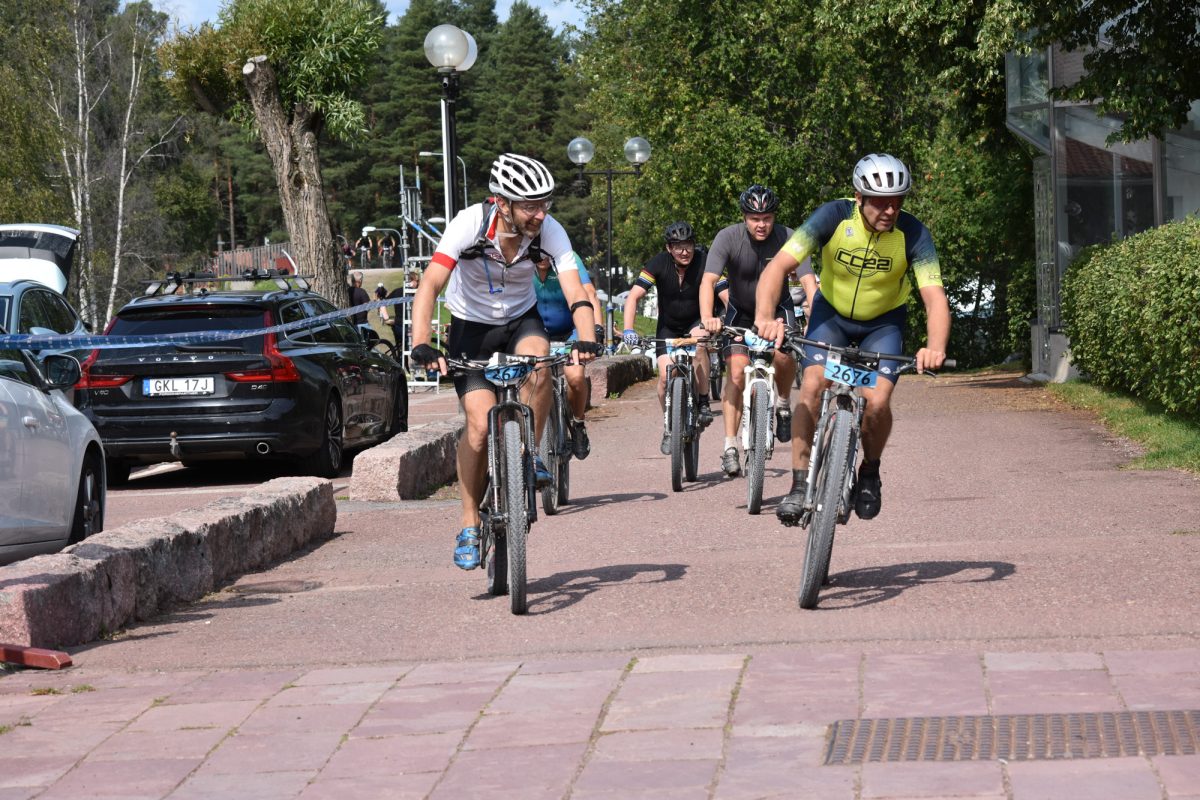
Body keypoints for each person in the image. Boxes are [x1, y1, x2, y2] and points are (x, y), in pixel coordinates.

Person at [408, 153, 600, 571]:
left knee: (540, 366)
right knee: (478, 427)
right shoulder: (469, 224)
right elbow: (431, 284)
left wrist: (586, 336)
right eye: (530, 206)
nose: (540, 214)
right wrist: (420, 342)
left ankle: (529, 453)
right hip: (471, 330)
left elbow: (576, 290)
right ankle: (468, 523)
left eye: (544, 204)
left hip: (520, 321)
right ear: (501, 203)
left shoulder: (550, 230)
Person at [755, 153, 949, 524]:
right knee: (812, 387)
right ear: (859, 197)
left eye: (897, 202)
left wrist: (935, 347)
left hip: (883, 324)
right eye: (880, 202)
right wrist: (765, 318)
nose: (890, 210)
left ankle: (870, 471)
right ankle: (799, 484)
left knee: (877, 401)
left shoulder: (913, 233)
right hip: (832, 316)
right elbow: (778, 267)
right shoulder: (832, 216)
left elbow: (934, 297)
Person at [701, 184, 817, 477]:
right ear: (744, 217)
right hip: (740, 313)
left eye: (767, 218)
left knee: (784, 356)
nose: (761, 224)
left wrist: (815, 316)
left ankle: (782, 403)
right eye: (755, 218)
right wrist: (707, 318)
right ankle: (730, 446)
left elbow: (808, 282)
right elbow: (708, 281)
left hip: (779, 311)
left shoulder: (789, 237)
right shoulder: (727, 237)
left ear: (774, 217)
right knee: (736, 373)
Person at [623, 221, 726, 454]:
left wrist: (726, 319)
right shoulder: (658, 263)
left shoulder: (705, 262)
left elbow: (726, 294)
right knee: (664, 378)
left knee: (700, 345)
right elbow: (634, 297)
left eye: (688, 245)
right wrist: (628, 329)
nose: (684, 251)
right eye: (678, 246)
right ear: (669, 248)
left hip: (696, 322)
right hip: (667, 328)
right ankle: (669, 426)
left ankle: (703, 401)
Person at [533, 251, 603, 460]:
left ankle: (578, 424)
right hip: (535, 332)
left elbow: (589, 292)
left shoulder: (566, 256)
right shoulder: (522, 260)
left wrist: (596, 329)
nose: (542, 258)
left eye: (545, 253)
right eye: (537, 253)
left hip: (570, 331)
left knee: (575, 376)